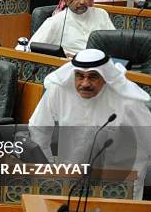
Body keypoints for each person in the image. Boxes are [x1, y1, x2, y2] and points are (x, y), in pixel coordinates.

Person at [29, 49, 151, 199]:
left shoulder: (127, 102)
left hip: (116, 180)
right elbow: (38, 128)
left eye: (93, 77)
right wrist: (48, 168)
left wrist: (132, 181)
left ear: (106, 77)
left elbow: (147, 142)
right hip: (71, 175)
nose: (85, 84)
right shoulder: (59, 90)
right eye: (80, 76)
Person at [30, 0, 116, 57]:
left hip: (100, 62)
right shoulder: (57, 21)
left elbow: (114, 43)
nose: (82, 2)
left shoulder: (101, 14)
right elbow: (31, 47)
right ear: (67, 0)